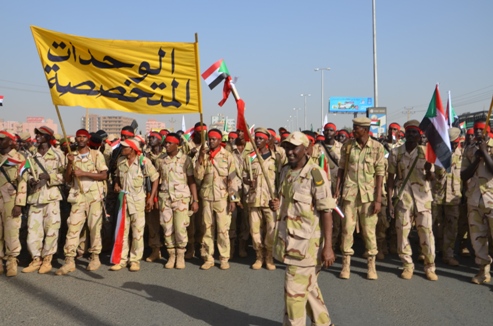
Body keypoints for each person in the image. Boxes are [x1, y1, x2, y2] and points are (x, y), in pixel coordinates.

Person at [269, 131, 335, 326]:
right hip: (289, 241)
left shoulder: (316, 174)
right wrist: (277, 204)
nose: (289, 152)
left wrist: (328, 247)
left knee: (294, 294)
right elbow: (288, 203)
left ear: (306, 149)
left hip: (307, 246)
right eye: (287, 147)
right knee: (308, 288)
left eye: (294, 148)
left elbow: (326, 211)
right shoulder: (285, 171)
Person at [387, 120, 438, 281]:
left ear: (419, 135)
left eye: (414, 132)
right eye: (408, 132)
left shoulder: (427, 152)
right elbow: (390, 178)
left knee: (426, 234)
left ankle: (429, 267)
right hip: (403, 199)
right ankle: (407, 265)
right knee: (402, 232)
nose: (411, 135)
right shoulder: (396, 153)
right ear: (404, 134)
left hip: (423, 199)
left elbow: (431, 178)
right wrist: (389, 202)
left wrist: (430, 170)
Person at [334, 117, 385, 280]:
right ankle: (346, 264)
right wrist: (337, 191)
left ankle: (371, 266)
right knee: (347, 229)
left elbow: (380, 174)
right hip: (349, 194)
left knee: (369, 231)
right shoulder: (348, 146)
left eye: (356, 128)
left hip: (368, 196)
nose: (353, 131)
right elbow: (342, 169)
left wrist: (378, 200)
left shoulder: (377, 147)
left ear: (365, 130)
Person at [56, 129, 108, 275]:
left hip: (94, 197)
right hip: (78, 196)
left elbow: (103, 175)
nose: (81, 139)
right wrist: (70, 164)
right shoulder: (72, 156)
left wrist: (84, 173)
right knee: (72, 228)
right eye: (78, 136)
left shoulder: (96, 155)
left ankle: (95, 257)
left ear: (88, 138)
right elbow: (67, 179)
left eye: (84, 137)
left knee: (94, 228)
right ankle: (69, 261)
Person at [22, 126, 66, 274]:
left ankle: (47, 259)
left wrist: (50, 177)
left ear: (48, 137)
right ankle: (35, 258)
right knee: (33, 230)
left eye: (41, 135)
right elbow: (27, 172)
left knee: (52, 229)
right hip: (35, 197)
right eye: (37, 134)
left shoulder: (58, 154)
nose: (38, 137)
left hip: (51, 196)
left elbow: (65, 177)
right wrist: (30, 181)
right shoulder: (31, 155)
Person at [110, 139, 159, 271]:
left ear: (132, 149)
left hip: (137, 201)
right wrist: (116, 184)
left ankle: (135, 260)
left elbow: (155, 179)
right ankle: (121, 259)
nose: (122, 149)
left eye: (125, 147)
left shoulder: (144, 162)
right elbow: (117, 176)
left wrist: (151, 198)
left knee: (137, 232)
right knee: (123, 231)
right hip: (124, 200)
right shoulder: (121, 161)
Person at [194, 128, 237, 270]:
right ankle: (208, 257)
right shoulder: (203, 155)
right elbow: (198, 176)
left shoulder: (228, 156)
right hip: (206, 196)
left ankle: (224, 258)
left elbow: (233, 180)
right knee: (206, 228)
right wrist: (200, 158)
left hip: (222, 197)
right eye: (209, 139)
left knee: (223, 229)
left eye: (214, 139)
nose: (211, 141)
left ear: (219, 140)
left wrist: (233, 200)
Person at [157, 133, 199, 269]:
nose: (166, 145)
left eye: (170, 143)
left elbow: (191, 180)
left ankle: (180, 255)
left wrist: (195, 200)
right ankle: (171, 255)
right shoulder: (161, 160)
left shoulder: (186, 159)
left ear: (177, 145)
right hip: (165, 198)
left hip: (181, 198)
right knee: (167, 228)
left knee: (180, 228)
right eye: (166, 143)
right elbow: (156, 180)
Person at [461, 120, 493, 284]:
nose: (479, 133)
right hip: (474, 199)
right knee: (478, 238)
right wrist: (476, 159)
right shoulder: (469, 149)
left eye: (482, 130)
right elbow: (464, 175)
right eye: (477, 130)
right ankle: (483, 271)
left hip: (492, 200)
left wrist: (486, 153)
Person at [243, 128, 279, 270]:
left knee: (271, 229)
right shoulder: (250, 157)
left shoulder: (276, 157)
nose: (257, 140)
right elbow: (244, 175)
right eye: (256, 138)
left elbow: (281, 178)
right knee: (255, 230)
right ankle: (259, 256)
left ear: (267, 140)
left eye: (260, 138)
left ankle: (269, 256)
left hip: (270, 199)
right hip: (254, 199)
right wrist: (248, 181)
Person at [432, 127, 462, 266]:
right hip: (437, 195)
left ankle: (448, 254)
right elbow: (430, 173)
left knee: (451, 226)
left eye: (454, 142)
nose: (452, 145)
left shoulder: (463, 153)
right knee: (435, 225)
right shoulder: (437, 154)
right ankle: (432, 251)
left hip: (454, 196)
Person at [0, 129, 27, 276]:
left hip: (11, 199)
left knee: (11, 231)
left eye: (2, 139)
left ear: (10, 141)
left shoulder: (19, 158)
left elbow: (22, 182)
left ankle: (11, 260)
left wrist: (19, 204)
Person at [144, 131, 167, 262]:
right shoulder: (145, 155)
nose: (150, 139)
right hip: (151, 191)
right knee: (152, 222)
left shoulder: (166, 155)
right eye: (149, 137)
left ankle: (171, 250)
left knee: (167, 223)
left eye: (153, 138)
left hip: (166, 192)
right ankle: (155, 249)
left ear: (160, 140)